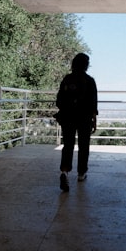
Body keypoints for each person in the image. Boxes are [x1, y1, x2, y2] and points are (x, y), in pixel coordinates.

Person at [55, 52, 98, 192]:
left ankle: (64, 171)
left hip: (67, 117)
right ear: (86, 65)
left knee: (68, 145)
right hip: (84, 118)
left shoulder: (67, 79)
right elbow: (93, 103)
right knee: (83, 145)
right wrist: (94, 119)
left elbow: (59, 100)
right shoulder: (90, 81)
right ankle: (81, 173)